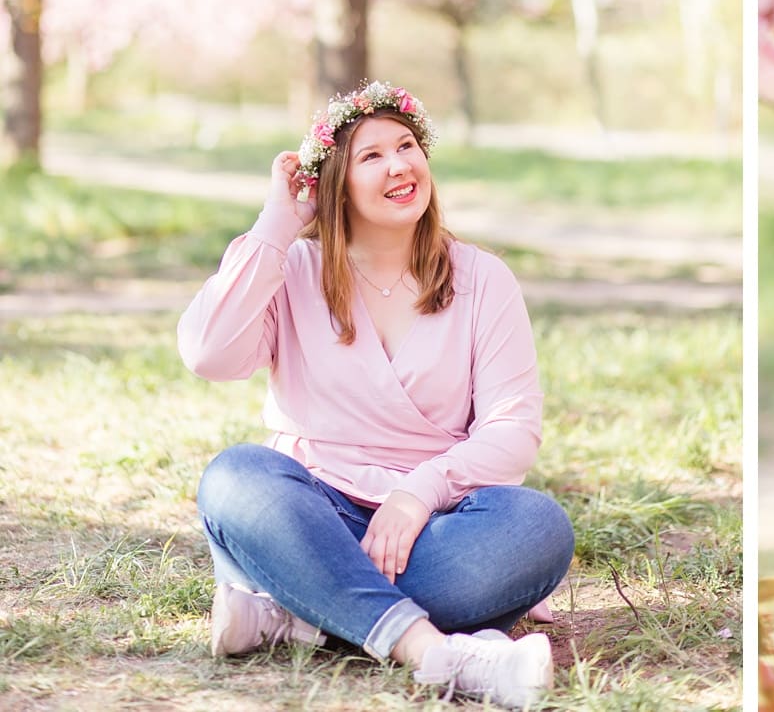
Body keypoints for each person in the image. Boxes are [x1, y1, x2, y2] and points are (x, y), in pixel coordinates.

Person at [178, 80, 574, 709]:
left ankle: (297, 612)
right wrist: (275, 226)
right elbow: (208, 353)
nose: (399, 165)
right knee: (236, 476)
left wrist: (419, 492)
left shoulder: (482, 279)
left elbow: (513, 428)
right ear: (336, 182)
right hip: (317, 512)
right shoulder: (295, 271)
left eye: (408, 145)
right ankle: (431, 650)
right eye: (371, 155)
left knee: (537, 528)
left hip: (437, 525)